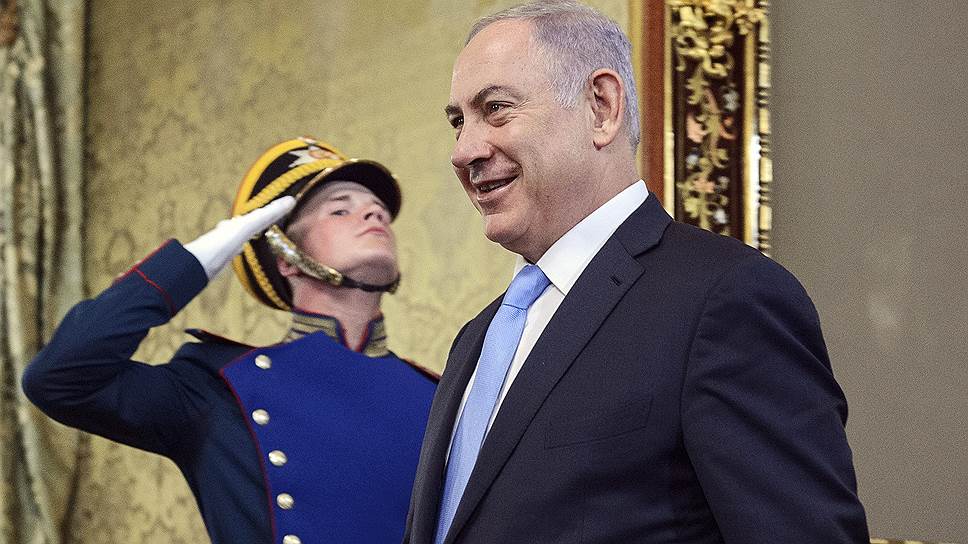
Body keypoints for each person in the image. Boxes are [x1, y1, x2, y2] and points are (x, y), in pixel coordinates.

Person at [404, 2, 869, 543]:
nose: (464, 151)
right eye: (458, 122)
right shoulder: (477, 339)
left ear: (601, 107)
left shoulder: (723, 300)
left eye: (497, 109)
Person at [22, 137, 438, 544]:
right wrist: (203, 255)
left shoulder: (439, 396)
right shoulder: (221, 386)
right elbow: (60, 379)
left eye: (378, 210)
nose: (374, 214)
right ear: (286, 259)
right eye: (340, 209)